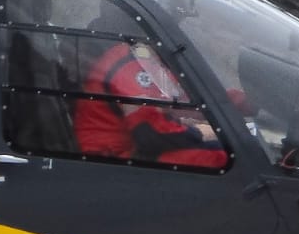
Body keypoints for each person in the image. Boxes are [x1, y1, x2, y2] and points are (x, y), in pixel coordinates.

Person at [71, 19, 227, 170]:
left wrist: (236, 105)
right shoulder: (129, 63)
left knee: (219, 149)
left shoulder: (147, 56)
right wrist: (201, 133)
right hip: (113, 160)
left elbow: (183, 100)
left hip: (136, 147)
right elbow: (149, 131)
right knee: (222, 157)